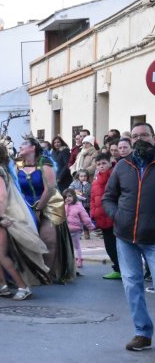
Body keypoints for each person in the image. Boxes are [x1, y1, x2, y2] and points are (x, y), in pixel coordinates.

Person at [102, 122, 155, 351]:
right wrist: (117, 217)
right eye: (135, 136)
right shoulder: (122, 166)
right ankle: (142, 332)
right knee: (132, 285)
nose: (140, 138)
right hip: (125, 237)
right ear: (130, 140)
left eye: (144, 134)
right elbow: (108, 197)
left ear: (153, 137)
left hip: (153, 238)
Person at [0, 144, 50, 299]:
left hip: (5, 217)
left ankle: (23, 286)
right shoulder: (1, 170)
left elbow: (1, 195)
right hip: (1, 215)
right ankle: (3, 285)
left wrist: (1, 217)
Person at [17, 137, 76, 283]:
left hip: (48, 203)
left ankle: (46, 272)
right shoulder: (17, 164)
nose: (20, 146)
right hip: (25, 204)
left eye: (24, 144)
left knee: (48, 238)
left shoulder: (44, 162)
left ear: (33, 148)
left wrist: (38, 209)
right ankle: (28, 270)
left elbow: (50, 188)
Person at [90, 152, 120, 280]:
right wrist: (93, 213)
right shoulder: (96, 180)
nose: (101, 166)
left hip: (114, 218)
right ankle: (118, 269)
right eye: (98, 164)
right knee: (110, 247)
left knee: (118, 247)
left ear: (110, 162)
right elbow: (92, 198)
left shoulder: (115, 176)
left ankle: (124, 270)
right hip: (102, 218)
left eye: (104, 163)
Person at [62, 188, 94, 268]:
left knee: (77, 246)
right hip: (65, 230)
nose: (67, 198)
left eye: (69, 196)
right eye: (65, 197)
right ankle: (69, 261)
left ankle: (79, 260)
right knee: (66, 247)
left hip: (75, 230)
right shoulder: (62, 206)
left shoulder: (78, 206)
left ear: (74, 196)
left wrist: (90, 226)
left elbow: (85, 217)